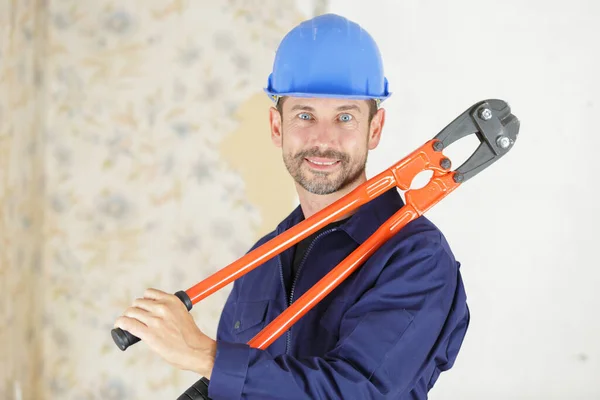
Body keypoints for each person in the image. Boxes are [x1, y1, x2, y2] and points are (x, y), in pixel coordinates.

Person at [114, 13, 470, 399]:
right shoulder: (261, 261)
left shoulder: (416, 257)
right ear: (276, 127)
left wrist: (207, 356)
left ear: (375, 129)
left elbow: (359, 392)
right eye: (304, 114)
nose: (323, 138)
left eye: (345, 117)